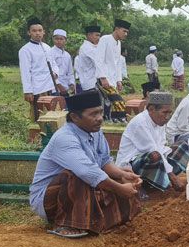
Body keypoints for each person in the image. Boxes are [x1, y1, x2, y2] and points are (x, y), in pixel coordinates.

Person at [29, 90, 142, 238]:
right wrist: (120, 189)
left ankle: (99, 219)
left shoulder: (95, 131)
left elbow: (104, 162)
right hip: (48, 199)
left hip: (82, 185)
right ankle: (65, 223)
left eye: (101, 112)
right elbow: (87, 172)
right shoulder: (65, 138)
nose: (100, 118)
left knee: (118, 176)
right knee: (76, 175)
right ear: (75, 117)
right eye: (93, 114)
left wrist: (123, 175)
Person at [116, 91, 189, 195]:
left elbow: (161, 146)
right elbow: (152, 149)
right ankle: (145, 184)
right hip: (131, 165)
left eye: (170, 112)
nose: (167, 117)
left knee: (183, 145)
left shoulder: (160, 121)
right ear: (151, 110)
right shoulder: (140, 123)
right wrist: (172, 176)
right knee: (154, 155)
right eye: (165, 112)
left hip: (156, 160)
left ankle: (157, 181)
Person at [19, 17, 64, 121]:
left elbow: (54, 64)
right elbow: (25, 72)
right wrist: (28, 91)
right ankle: (37, 135)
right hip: (36, 88)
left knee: (51, 114)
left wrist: (55, 73)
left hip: (49, 86)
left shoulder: (47, 47)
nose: (37, 33)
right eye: (34, 31)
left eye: (40, 30)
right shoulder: (25, 50)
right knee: (38, 115)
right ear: (29, 33)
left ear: (44, 32)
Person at [98, 19, 130, 122]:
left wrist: (119, 80)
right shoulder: (105, 39)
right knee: (118, 101)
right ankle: (120, 118)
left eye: (127, 32)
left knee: (112, 102)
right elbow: (99, 59)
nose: (125, 34)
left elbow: (117, 64)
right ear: (116, 29)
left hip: (113, 78)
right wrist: (103, 78)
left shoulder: (118, 43)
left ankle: (113, 120)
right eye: (124, 31)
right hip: (104, 77)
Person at [76, 25, 105, 93]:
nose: (98, 38)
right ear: (89, 35)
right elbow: (100, 62)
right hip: (90, 84)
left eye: (99, 36)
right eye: (97, 35)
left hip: (93, 83)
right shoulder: (87, 48)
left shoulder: (92, 47)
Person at [50, 29, 75, 96]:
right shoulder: (50, 52)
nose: (59, 41)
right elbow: (50, 72)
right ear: (53, 39)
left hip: (66, 88)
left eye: (61, 39)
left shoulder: (67, 55)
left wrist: (72, 83)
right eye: (56, 39)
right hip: (54, 88)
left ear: (65, 40)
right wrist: (59, 85)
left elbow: (70, 72)